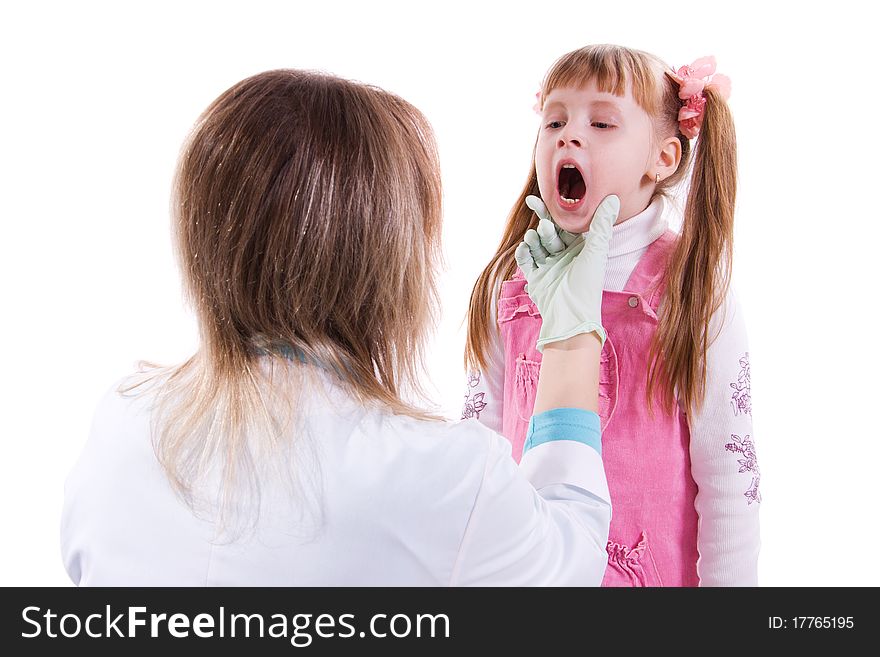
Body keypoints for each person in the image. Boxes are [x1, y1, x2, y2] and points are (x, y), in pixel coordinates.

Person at [61, 69, 619, 586]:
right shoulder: (445, 478)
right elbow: (569, 563)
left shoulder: (124, 421)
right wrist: (570, 337)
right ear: (389, 258)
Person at [463, 45, 759, 586]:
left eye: (601, 122)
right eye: (555, 119)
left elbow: (730, 480)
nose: (568, 135)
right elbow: (476, 455)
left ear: (663, 158)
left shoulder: (693, 289)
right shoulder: (511, 285)